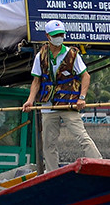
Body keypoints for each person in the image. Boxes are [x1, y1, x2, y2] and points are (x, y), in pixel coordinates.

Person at [21, 19, 101, 171]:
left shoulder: (72, 54)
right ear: (48, 36)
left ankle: (98, 163)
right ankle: (52, 171)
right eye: (56, 34)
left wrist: (82, 98)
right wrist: (30, 100)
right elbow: (36, 81)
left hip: (68, 103)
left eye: (61, 34)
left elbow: (86, 76)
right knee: (49, 143)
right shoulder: (41, 55)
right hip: (48, 105)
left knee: (82, 136)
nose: (59, 37)